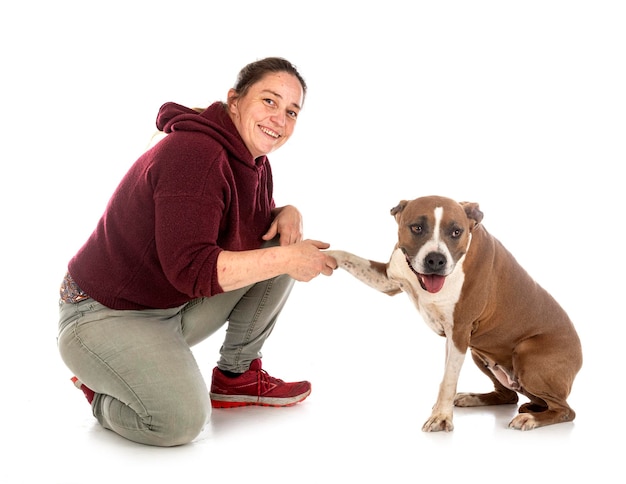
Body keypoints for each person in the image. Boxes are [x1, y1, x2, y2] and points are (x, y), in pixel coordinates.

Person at [57, 57, 337, 447]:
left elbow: (237, 229)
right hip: (103, 315)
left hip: (168, 305)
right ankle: (103, 393)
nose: (280, 119)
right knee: (179, 422)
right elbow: (192, 269)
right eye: (269, 101)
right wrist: (288, 260)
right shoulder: (194, 154)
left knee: (277, 243)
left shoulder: (253, 159)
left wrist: (284, 212)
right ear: (234, 101)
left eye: (292, 111)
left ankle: (236, 377)